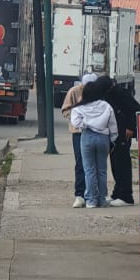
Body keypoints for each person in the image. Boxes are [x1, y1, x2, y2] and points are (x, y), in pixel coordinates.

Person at [69, 76, 118, 209]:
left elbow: (75, 122)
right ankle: (102, 199)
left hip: (87, 136)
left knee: (89, 170)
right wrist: (112, 140)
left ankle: (91, 200)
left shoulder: (80, 107)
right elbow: (113, 126)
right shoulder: (106, 106)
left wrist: (85, 125)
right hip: (103, 138)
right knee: (102, 170)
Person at [99, 74, 140, 206]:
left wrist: (130, 127)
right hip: (114, 133)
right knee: (115, 163)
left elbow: (135, 109)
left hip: (124, 132)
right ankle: (117, 192)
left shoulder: (120, 93)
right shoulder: (109, 94)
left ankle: (126, 195)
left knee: (122, 163)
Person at [60, 72, 95, 207]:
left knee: (94, 164)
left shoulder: (97, 92)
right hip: (79, 132)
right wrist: (78, 117)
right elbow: (65, 110)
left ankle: (92, 193)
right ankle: (80, 194)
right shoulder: (74, 92)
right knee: (81, 163)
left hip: (95, 131)